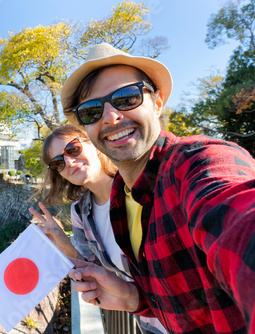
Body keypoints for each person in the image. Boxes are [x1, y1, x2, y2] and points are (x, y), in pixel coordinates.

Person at [61, 43, 255, 333]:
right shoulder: (121, 197)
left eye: (126, 98)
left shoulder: (197, 163)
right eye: (91, 111)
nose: (110, 117)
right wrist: (134, 298)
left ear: (157, 102)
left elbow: (239, 218)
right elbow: (183, 296)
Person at [29, 124, 167, 334]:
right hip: (152, 324)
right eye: (58, 162)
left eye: (73, 149)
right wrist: (62, 241)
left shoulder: (140, 186)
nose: (69, 162)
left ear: (93, 142)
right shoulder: (81, 211)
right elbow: (93, 270)